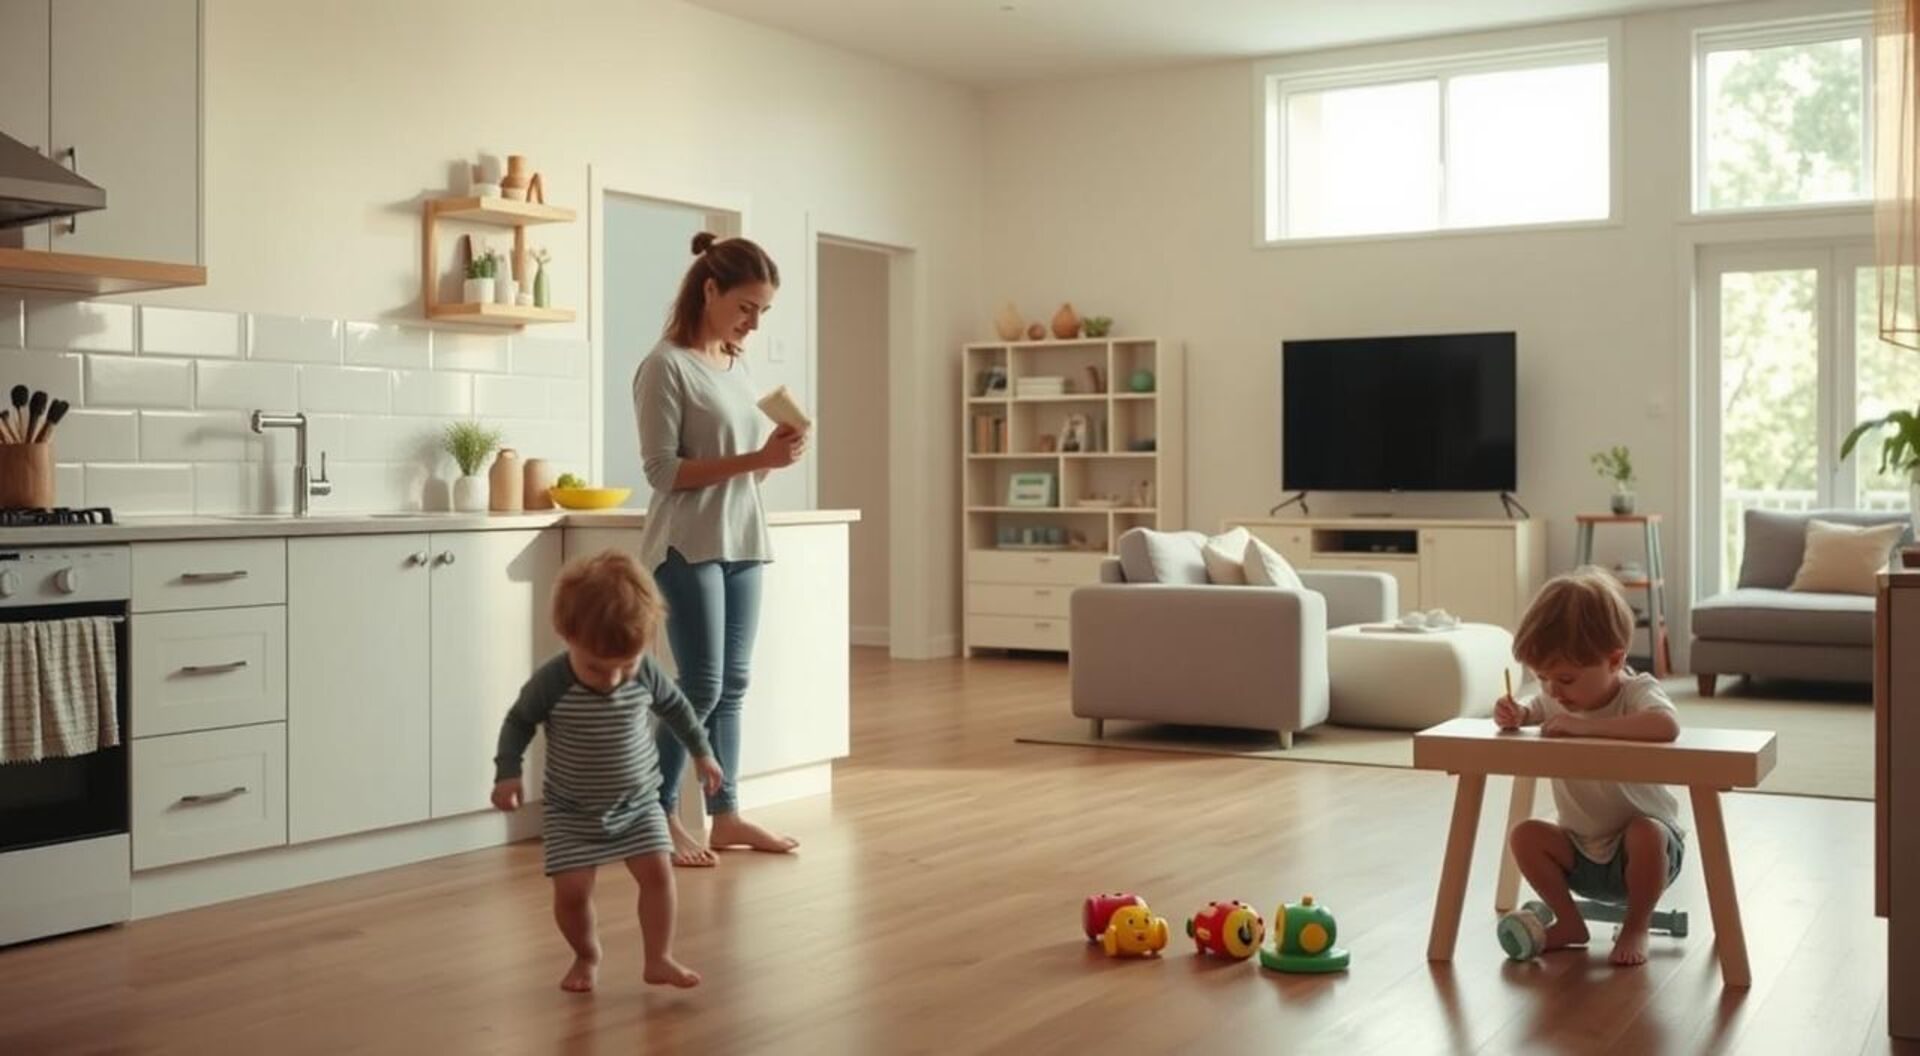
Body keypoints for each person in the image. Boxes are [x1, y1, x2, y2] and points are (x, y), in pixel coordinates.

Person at [633, 232, 806, 867]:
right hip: (687, 542)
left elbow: (741, 468)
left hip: (743, 535)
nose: (754, 322)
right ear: (710, 290)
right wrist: (757, 457)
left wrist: (773, 460)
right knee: (700, 684)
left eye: (763, 311)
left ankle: (725, 815)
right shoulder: (665, 366)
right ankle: (652, 815)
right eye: (746, 307)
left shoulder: (736, 364)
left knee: (732, 684)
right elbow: (662, 471)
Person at [491, 549, 726, 992]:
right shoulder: (553, 681)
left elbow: (677, 709)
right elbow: (518, 721)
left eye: (627, 665)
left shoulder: (645, 673)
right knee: (572, 894)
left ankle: (658, 958)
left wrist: (703, 752)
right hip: (571, 812)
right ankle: (586, 954)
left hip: (639, 805)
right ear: (567, 635)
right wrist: (508, 772)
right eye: (598, 667)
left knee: (659, 875)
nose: (614, 679)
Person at [1494, 567, 1685, 967]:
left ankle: (1637, 924)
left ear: (1614, 660)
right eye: (1541, 677)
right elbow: (1534, 711)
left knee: (1645, 832)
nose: (1552, 690)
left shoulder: (1636, 692)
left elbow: (1666, 725)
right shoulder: (1557, 697)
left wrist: (1589, 727)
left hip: (1648, 854)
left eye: (1564, 677)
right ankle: (1569, 921)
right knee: (1524, 836)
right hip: (1580, 851)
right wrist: (1515, 713)